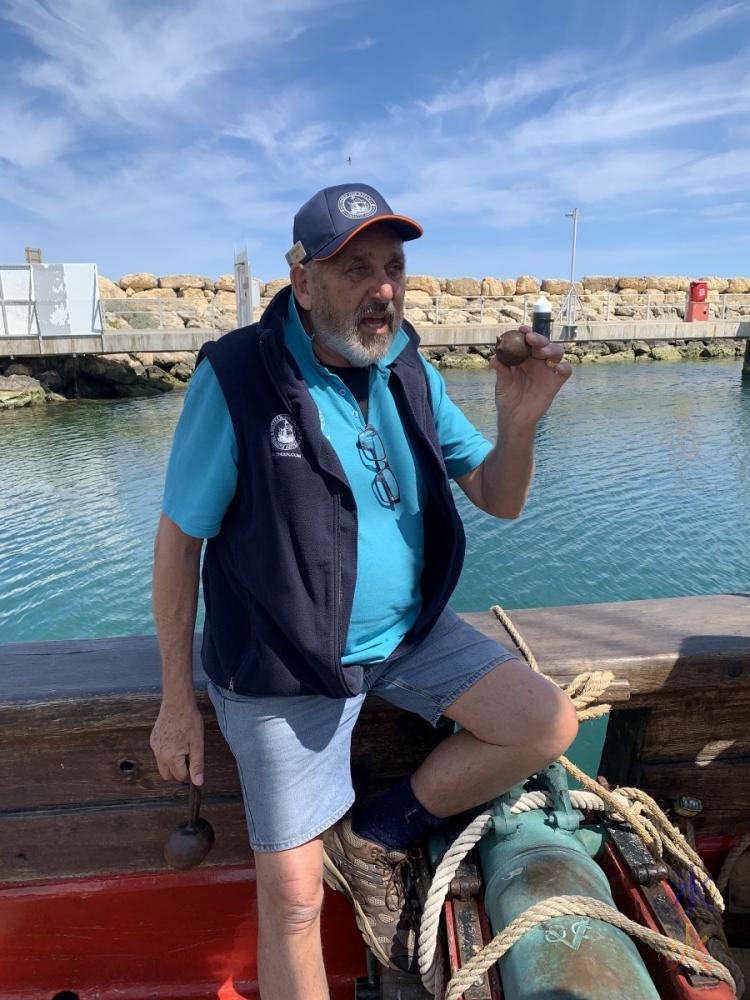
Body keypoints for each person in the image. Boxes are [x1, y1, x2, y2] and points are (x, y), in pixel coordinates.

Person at [150, 183, 577, 999]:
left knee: (544, 721)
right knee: (295, 902)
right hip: (282, 668)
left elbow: (499, 495)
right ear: (305, 282)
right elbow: (178, 544)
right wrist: (177, 699)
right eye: (355, 269)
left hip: (408, 637)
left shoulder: (406, 362)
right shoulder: (238, 377)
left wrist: (519, 422)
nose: (382, 288)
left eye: (393, 266)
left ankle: (379, 832)